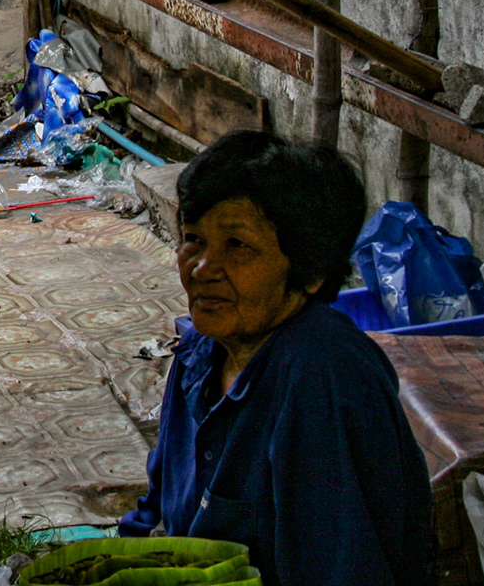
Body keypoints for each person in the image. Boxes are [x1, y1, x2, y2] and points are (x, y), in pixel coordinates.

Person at [120, 130, 434, 586]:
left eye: (238, 246)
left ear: (309, 270)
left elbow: (341, 571)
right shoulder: (201, 352)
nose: (203, 268)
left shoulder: (322, 379)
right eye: (194, 239)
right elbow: (158, 512)